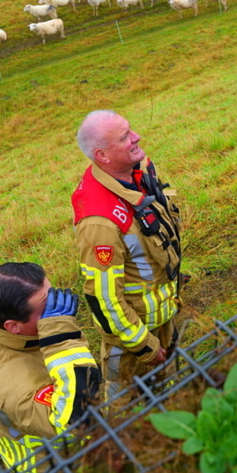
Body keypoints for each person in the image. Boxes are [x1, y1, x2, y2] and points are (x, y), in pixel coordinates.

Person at [72, 110, 183, 400]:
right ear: (103, 155)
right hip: (132, 339)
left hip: (165, 313)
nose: (137, 137)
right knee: (125, 407)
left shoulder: (139, 170)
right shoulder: (99, 223)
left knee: (168, 387)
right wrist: (144, 345)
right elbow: (105, 299)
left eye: (130, 130)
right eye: (125, 137)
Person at [0, 262, 101, 473]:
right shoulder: (15, 389)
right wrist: (62, 339)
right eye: (45, 308)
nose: (54, 309)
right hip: (53, 467)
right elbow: (79, 420)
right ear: (13, 326)